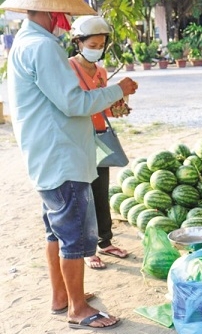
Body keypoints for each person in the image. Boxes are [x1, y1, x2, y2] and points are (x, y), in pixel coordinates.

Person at [2, 0, 138, 330]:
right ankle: (77, 309)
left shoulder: (25, 42)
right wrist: (119, 89)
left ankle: (61, 297)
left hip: (46, 154)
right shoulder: (42, 47)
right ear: (52, 12)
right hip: (60, 156)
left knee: (56, 231)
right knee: (75, 234)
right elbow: (73, 102)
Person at [68, 15, 129, 270]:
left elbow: (104, 106)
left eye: (101, 45)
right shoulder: (68, 68)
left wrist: (119, 108)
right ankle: (88, 249)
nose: (97, 50)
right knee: (84, 196)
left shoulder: (102, 72)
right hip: (78, 140)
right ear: (78, 42)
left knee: (101, 192)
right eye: (92, 44)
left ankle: (105, 241)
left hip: (100, 137)